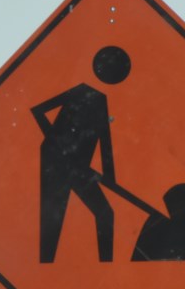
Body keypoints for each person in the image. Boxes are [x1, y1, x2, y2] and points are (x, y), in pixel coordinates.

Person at [32, 45, 131, 263]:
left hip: (78, 167)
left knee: (106, 214)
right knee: (52, 218)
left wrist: (111, 179)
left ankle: (106, 270)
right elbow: (38, 110)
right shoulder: (79, 91)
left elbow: (105, 145)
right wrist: (55, 143)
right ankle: (46, 267)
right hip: (54, 162)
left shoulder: (101, 101)